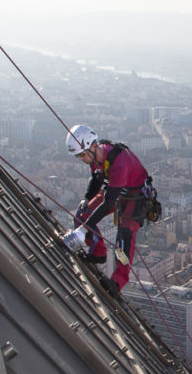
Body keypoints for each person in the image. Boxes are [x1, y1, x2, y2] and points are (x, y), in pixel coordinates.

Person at [66, 124, 154, 298]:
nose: (82, 159)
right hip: (117, 190)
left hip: (135, 196)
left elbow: (107, 203)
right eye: (78, 156)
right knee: (84, 212)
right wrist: (86, 198)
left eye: (82, 154)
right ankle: (98, 252)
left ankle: (117, 282)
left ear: (93, 145)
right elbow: (97, 178)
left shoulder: (118, 161)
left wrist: (83, 230)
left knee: (125, 236)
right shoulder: (97, 157)